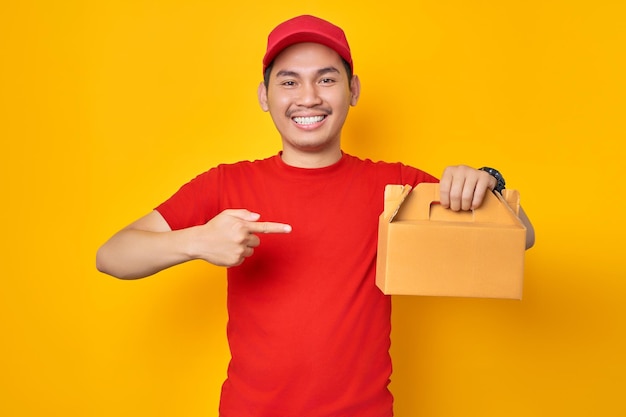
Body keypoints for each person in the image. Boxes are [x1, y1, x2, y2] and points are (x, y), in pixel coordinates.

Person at [96, 14, 534, 417]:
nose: (308, 97)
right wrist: (194, 242)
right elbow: (112, 255)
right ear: (264, 97)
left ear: (353, 90)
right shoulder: (224, 184)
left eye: (326, 79)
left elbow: (522, 238)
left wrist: (484, 182)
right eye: (289, 82)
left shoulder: (396, 187)